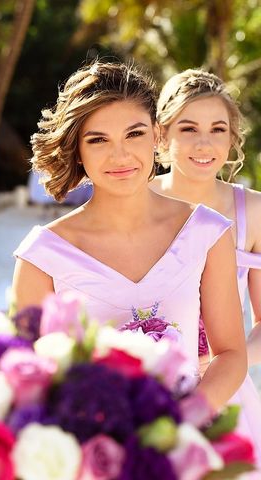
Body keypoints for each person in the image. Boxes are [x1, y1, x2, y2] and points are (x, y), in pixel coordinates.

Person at [12, 62, 247, 415]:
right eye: (98, 139)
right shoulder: (42, 256)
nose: (120, 155)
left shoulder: (207, 232)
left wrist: (182, 423)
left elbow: (230, 354)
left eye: (134, 134)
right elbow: (26, 377)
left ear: (156, 135)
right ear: (77, 148)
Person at [150, 68, 261, 466]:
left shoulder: (255, 211)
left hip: (225, 391)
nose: (204, 143)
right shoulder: (132, 201)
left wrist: (220, 363)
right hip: (145, 387)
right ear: (161, 135)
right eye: (188, 128)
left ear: (232, 138)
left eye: (218, 129)